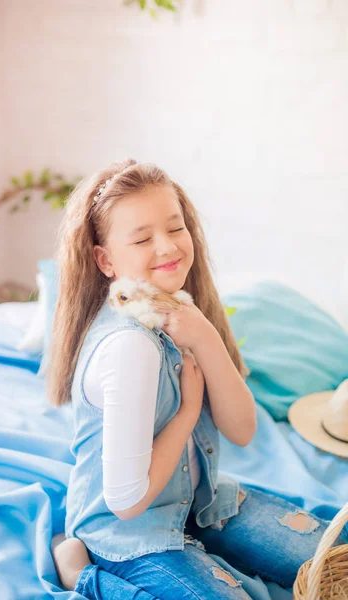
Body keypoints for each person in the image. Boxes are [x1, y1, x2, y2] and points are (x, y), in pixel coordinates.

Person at [48, 159, 348, 600]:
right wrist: (188, 411)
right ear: (105, 260)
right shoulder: (130, 347)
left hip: (198, 499)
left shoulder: (180, 313)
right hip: (131, 532)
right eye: (142, 238)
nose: (167, 247)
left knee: (336, 555)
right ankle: (82, 575)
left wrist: (205, 337)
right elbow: (127, 502)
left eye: (175, 228)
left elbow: (243, 431)